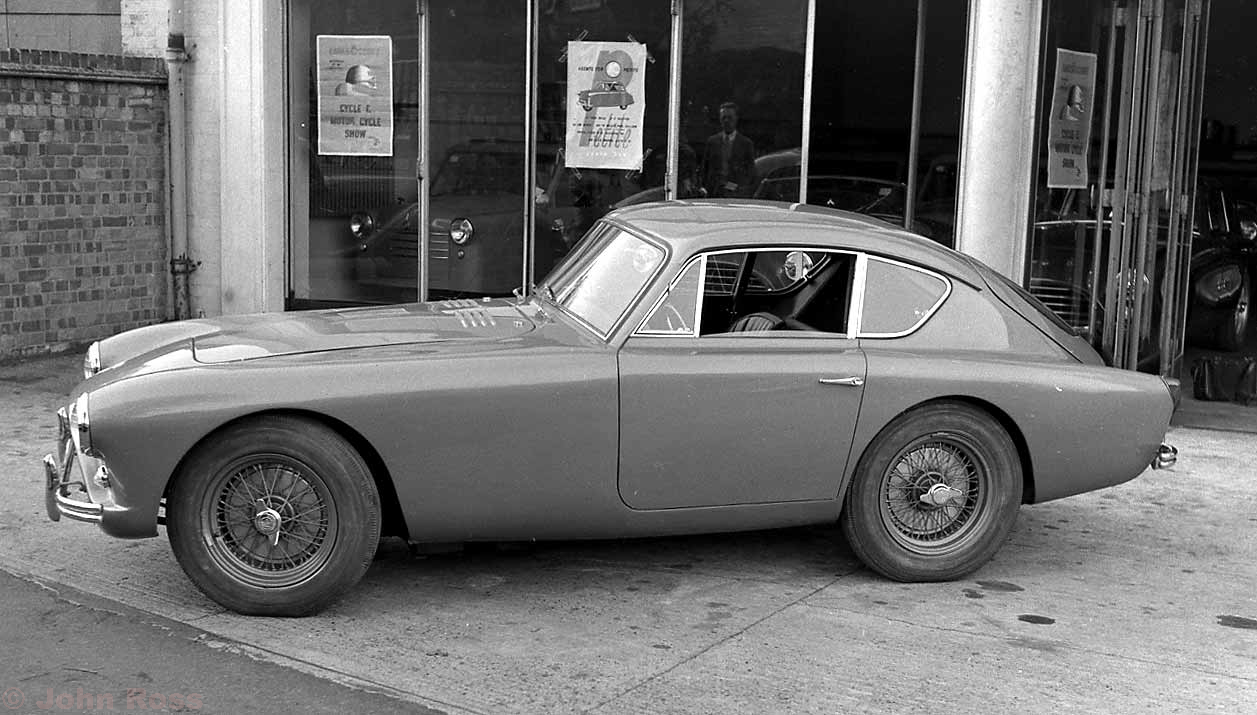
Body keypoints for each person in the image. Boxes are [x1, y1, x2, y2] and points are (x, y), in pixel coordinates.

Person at [701, 102, 757, 198]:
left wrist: (737, 188)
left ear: (736, 118)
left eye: (730, 117)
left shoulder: (746, 144)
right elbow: (705, 169)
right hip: (714, 194)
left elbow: (750, 172)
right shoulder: (712, 142)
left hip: (736, 194)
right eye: (723, 118)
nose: (726, 121)